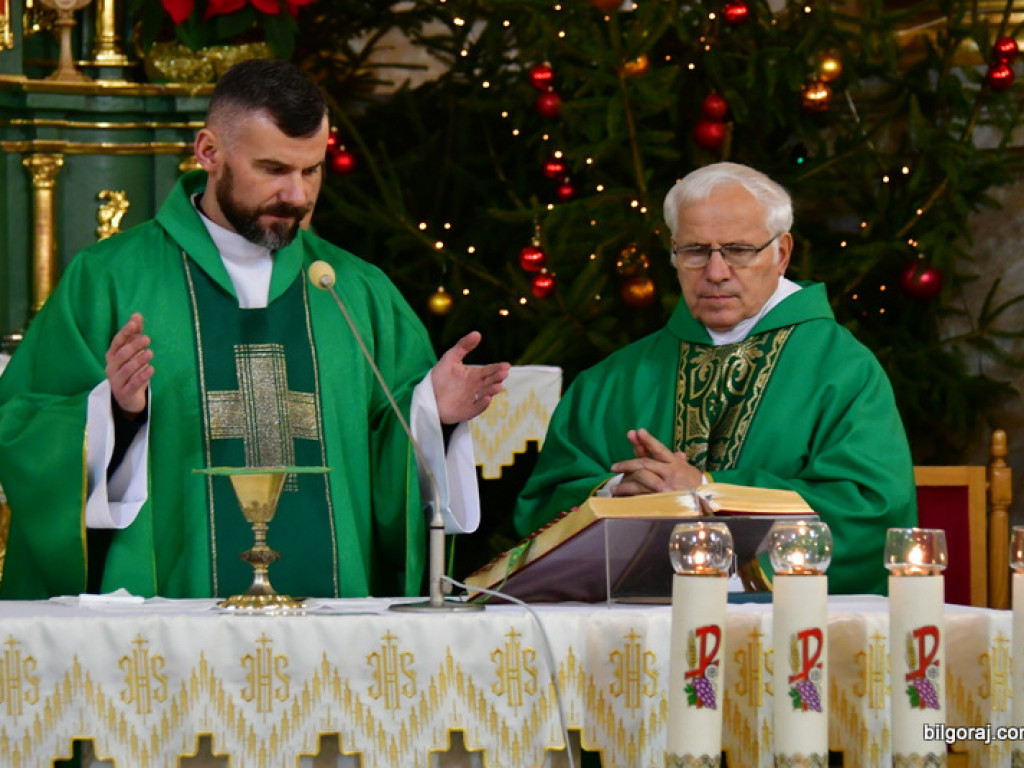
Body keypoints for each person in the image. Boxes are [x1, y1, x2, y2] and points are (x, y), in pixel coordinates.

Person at [0, 59, 509, 600]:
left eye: (311, 170)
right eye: (273, 169)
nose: (297, 194)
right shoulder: (111, 280)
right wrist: (116, 414)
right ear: (208, 152)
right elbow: (24, 429)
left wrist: (432, 413)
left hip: (333, 628)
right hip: (170, 626)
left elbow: (390, 453)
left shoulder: (355, 291)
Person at [514, 162, 916, 594]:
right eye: (695, 251)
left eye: (739, 250)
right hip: (637, 638)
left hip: (786, 637)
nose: (716, 271)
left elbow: (870, 512)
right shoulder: (611, 381)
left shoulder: (842, 371)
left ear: (782, 253)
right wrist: (615, 492)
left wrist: (707, 492)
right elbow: (544, 507)